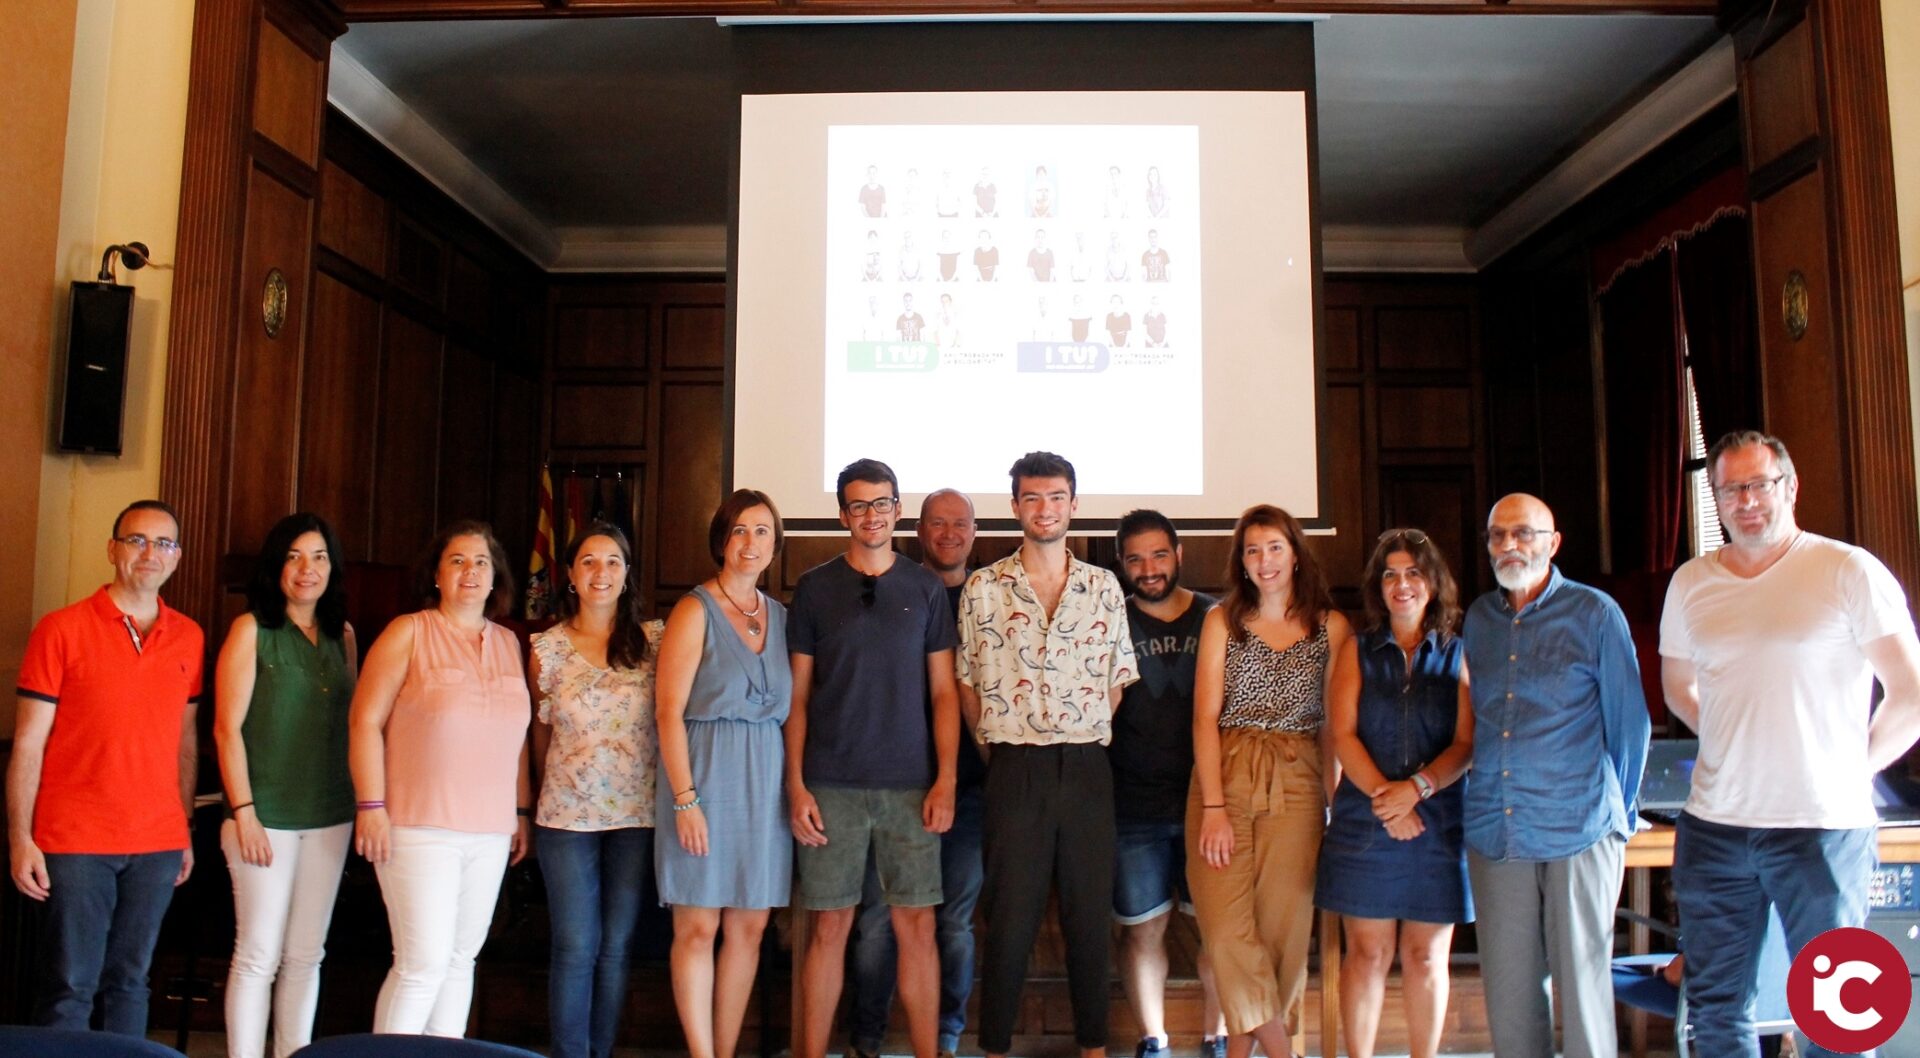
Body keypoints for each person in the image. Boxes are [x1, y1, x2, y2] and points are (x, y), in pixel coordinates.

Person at [1660, 431, 1920, 1057]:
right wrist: (1736, 738)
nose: (1746, 501)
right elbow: (1678, 688)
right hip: (1715, 828)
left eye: (1759, 485)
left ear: (1790, 487)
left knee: (1837, 1014)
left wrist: (1854, 769)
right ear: (1716, 498)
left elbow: (1910, 695)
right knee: (1716, 1009)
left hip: (1822, 828)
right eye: (1730, 489)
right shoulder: (1692, 582)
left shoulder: (1847, 570)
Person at [958, 452, 1139, 1058]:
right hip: (1014, 767)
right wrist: (1002, 752)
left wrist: (1074, 731)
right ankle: (994, 1048)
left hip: (1086, 767)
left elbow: (1116, 683)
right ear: (1015, 507)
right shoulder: (984, 587)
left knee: (1089, 916)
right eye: (1032, 497)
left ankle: (1094, 1047)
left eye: (1056, 497)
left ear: (1074, 505)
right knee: (1009, 918)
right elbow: (966, 683)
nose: (1045, 508)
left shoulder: (1103, 587)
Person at [1463, 493, 1648, 1058]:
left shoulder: (1595, 613)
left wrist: (1619, 817)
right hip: (1497, 831)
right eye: (1498, 535)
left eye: (1523, 533)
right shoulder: (1479, 619)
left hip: (1579, 829)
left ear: (1553, 543)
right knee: (1510, 999)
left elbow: (1630, 725)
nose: (1509, 545)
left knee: (1584, 995)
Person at [9, 500, 203, 1036]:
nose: (150, 553)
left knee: (131, 982)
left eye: (163, 543)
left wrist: (183, 828)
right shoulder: (61, 629)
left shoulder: (189, 636)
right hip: (75, 840)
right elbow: (28, 744)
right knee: (70, 984)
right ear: (112, 549)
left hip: (157, 841)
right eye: (137, 540)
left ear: (177, 556)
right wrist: (20, 838)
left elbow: (185, 744)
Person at [789, 461, 959, 1058]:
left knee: (917, 927)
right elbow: (797, 698)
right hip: (829, 785)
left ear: (897, 510)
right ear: (843, 515)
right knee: (829, 927)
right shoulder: (814, 588)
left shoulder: (925, 588)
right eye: (859, 505)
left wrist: (946, 779)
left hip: (910, 786)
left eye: (881, 503)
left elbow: (944, 693)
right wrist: (796, 786)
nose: (871, 515)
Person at [349, 519, 533, 1037]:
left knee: (459, 962)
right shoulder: (408, 631)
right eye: (457, 561)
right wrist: (370, 806)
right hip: (417, 827)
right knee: (421, 964)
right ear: (436, 575)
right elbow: (364, 722)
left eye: (481, 562)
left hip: (491, 832)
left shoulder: (508, 643)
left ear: (495, 577)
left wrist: (520, 812)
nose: (470, 571)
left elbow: (517, 738)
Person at [1189, 505, 1355, 1058]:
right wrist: (1214, 807)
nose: (1265, 561)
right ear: (1241, 560)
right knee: (1225, 929)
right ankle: (1284, 1052)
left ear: (1296, 554)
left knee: (1283, 934)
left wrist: (1333, 805)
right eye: (1253, 550)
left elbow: (1332, 726)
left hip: (1299, 778)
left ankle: (1241, 1053)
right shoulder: (1222, 621)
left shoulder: (1331, 627)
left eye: (1275, 547)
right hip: (1227, 773)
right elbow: (1203, 718)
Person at [1313, 529, 1474, 1058]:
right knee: (1367, 955)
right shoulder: (1357, 650)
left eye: (1413, 573)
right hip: (1366, 821)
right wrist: (1389, 800)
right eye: (1390, 574)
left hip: (1438, 821)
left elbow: (1466, 744)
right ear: (1378, 587)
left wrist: (1417, 790)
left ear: (1434, 582)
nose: (1402, 584)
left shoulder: (1461, 652)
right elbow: (1343, 735)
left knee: (1426, 958)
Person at [847, 489, 985, 1058]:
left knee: (954, 924)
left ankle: (946, 1037)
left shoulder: (993, 598)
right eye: (937, 523)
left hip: (971, 790)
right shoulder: (891, 589)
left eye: (960, 523)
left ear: (975, 531)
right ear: (918, 529)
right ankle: (867, 1039)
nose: (949, 533)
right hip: (892, 786)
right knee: (877, 921)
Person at [654, 489, 792, 1058]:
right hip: (704, 779)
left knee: (749, 929)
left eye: (762, 531)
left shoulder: (782, 617)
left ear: (775, 545)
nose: (750, 542)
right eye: (739, 530)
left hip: (765, 786)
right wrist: (686, 800)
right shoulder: (694, 610)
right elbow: (667, 712)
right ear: (721, 540)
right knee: (698, 928)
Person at [213, 512, 356, 1058]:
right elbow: (226, 729)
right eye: (294, 556)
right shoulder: (251, 630)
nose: (307, 568)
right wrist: (244, 811)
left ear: (331, 567)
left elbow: (355, 725)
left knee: (305, 955)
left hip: (331, 814)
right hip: (263, 815)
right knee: (257, 954)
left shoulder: (344, 636)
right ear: (276, 565)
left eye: (319, 557)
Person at [529, 523, 666, 1058]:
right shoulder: (546, 649)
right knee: (575, 946)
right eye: (588, 561)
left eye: (612, 561)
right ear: (570, 574)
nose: (600, 572)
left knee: (615, 948)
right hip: (566, 819)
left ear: (627, 573)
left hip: (637, 816)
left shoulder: (655, 640)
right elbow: (540, 735)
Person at [1110, 510, 1225, 1058]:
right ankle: (1152, 1041)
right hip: (1132, 806)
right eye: (1135, 559)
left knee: (1218, 931)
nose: (1148, 568)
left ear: (1179, 555)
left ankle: (1216, 1038)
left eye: (1159, 555)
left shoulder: (1216, 618)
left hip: (1209, 806)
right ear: (1121, 565)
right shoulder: (1109, 618)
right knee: (1142, 929)